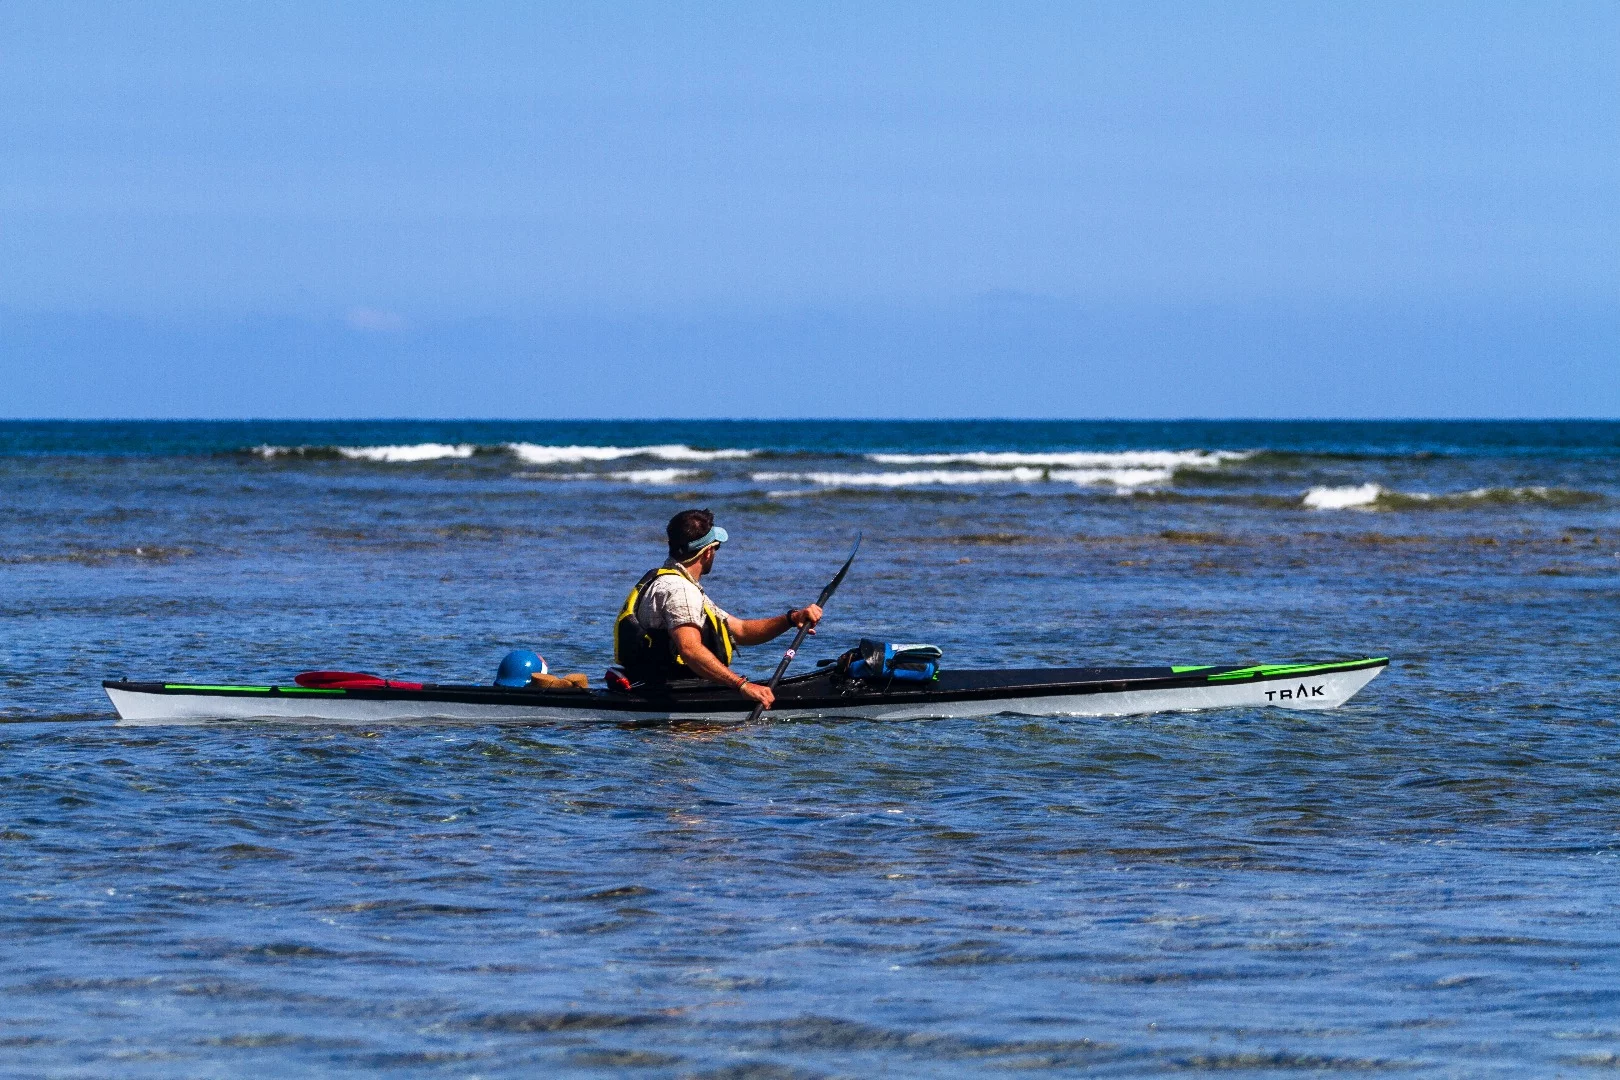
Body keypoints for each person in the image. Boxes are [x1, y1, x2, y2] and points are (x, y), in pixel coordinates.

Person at [614, 509, 822, 710]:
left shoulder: (674, 582)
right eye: (716, 548)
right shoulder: (680, 591)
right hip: (671, 698)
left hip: (667, 687)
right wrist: (742, 685)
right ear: (707, 551)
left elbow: (740, 630)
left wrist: (792, 618)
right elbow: (690, 650)